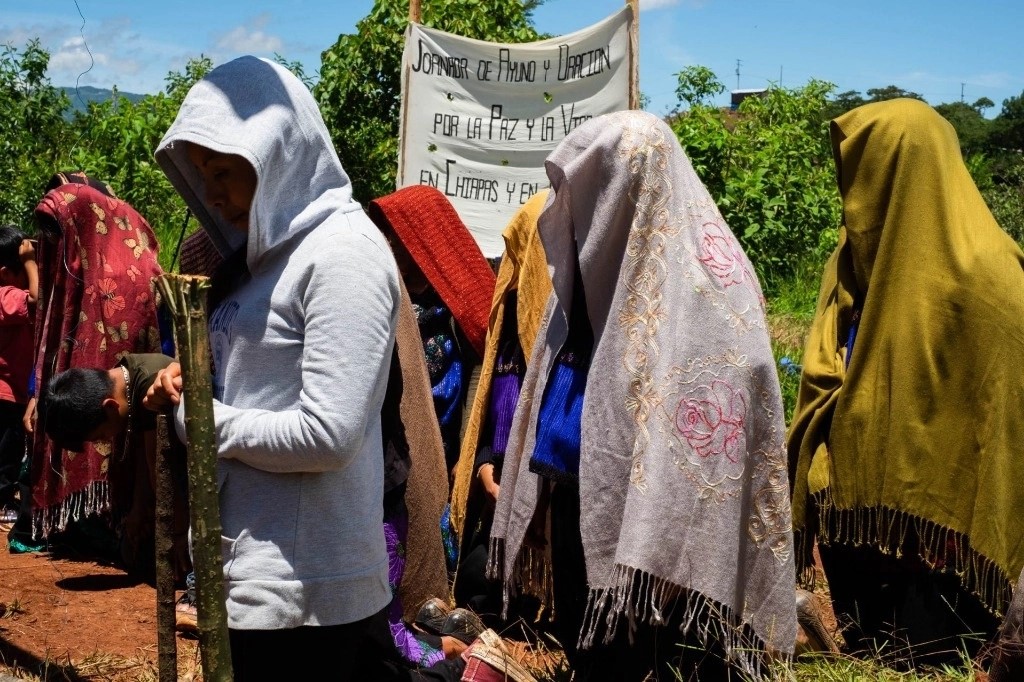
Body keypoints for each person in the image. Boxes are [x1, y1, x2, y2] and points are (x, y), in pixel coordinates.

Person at [150, 55, 464, 681]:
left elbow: (329, 432)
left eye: (225, 170)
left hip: (309, 592)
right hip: (255, 575)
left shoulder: (340, 254)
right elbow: (261, 380)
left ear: (279, 152)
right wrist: (197, 383)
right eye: (200, 173)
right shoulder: (261, 257)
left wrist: (207, 422)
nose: (211, 191)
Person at [488, 110, 797, 681]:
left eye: (596, 191)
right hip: (581, 492)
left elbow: (737, 387)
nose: (579, 215)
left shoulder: (712, 282)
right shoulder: (585, 277)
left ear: (630, 186)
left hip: (674, 526)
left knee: (662, 657)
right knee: (597, 654)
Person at [787, 98, 1024, 667]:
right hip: (863, 507)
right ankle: (870, 640)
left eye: (862, 167)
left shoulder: (991, 277)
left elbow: (1002, 409)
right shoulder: (853, 260)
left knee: (927, 650)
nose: (852, 189)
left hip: (952, 523)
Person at [27, 171, 163, 553]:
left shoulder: (123, 266)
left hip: (133, 397)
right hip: (100, 399)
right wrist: (39, 390)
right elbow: (51, 333)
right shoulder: (72, 262)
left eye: (57, 230)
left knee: (135, 447)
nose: (51, 244)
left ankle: (127, 522)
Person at [449, 190, 552, 631]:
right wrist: (487, 465)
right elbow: (491, 409)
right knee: (472, 584)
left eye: (521, 247)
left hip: (545, 492)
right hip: (500, 491)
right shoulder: (507, 319)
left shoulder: (566, 322)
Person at [367, 185, 496, 479]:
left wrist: (468, 455)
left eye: (393, 234)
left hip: (443, 453)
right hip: (382, 450)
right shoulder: (381, 294)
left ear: (419, 238)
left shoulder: (461, 302)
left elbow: (481, 375)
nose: (385, 242)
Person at [35, 353, 190, 581]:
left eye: (100, 435)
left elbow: (161, 472)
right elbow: (147, 460)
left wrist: (179, 536)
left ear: (110, 406)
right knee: (132, 555)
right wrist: (138, 509)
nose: (104, 441)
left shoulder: (151, 386)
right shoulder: (121, 377)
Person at [0, 226, 38, 543]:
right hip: (6, 393)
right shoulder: (5, 295)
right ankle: (3, 504)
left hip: (12, 390)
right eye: (23, 268)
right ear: (6, 273)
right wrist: (31, 262)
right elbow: (37, 300)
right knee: (7, 452)